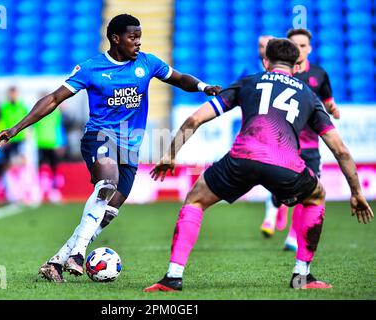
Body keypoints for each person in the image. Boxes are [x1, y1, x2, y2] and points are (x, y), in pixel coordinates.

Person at [0, 14, 222, 282]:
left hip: (130, 146)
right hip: (99, 137)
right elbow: (54, 98)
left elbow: (179, 78)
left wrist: (204, 87)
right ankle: (78, 253)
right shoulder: (92, 68)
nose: (138, 42)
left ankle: (55, 262)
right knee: (107, 184)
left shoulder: (147, 63)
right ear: (115, 38)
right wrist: (16, 128)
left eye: (140, 36)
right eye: (132, 37)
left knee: (108, 212)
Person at [144, 38, 373, 292]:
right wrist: (356, 192)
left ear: (266, 62)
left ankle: (173, 277)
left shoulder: (249, 82)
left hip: (241, 160)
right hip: (285, 165)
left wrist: (170, 154)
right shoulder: (309, 95)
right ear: (296, 66)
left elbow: (194, 119)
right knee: (316, 197)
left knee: (195, 199)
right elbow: (339, 149)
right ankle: (302, 277)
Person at [261, 28, 341, 250]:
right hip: (286, 143)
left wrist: (332, 109)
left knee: (309, 192)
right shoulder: (283, 74)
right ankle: (274, 205)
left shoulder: (320, 74)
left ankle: (293, 238)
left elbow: (327, 102)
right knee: (282, 193)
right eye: (295, 46)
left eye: (303, 46)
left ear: (310, 48)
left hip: (311, 145)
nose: (300, 50)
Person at [0, 86, 29, 163]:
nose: (13, 95)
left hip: (21, 136)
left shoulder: (23, 106)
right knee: (7, 159)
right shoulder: (4, 107)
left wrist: (28, 132)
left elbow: (28, 119)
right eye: (11, 93)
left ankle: (22, 174)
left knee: (22, 157)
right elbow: (0, 121)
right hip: (8, 137)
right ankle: (7, 174)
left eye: (14, 93)